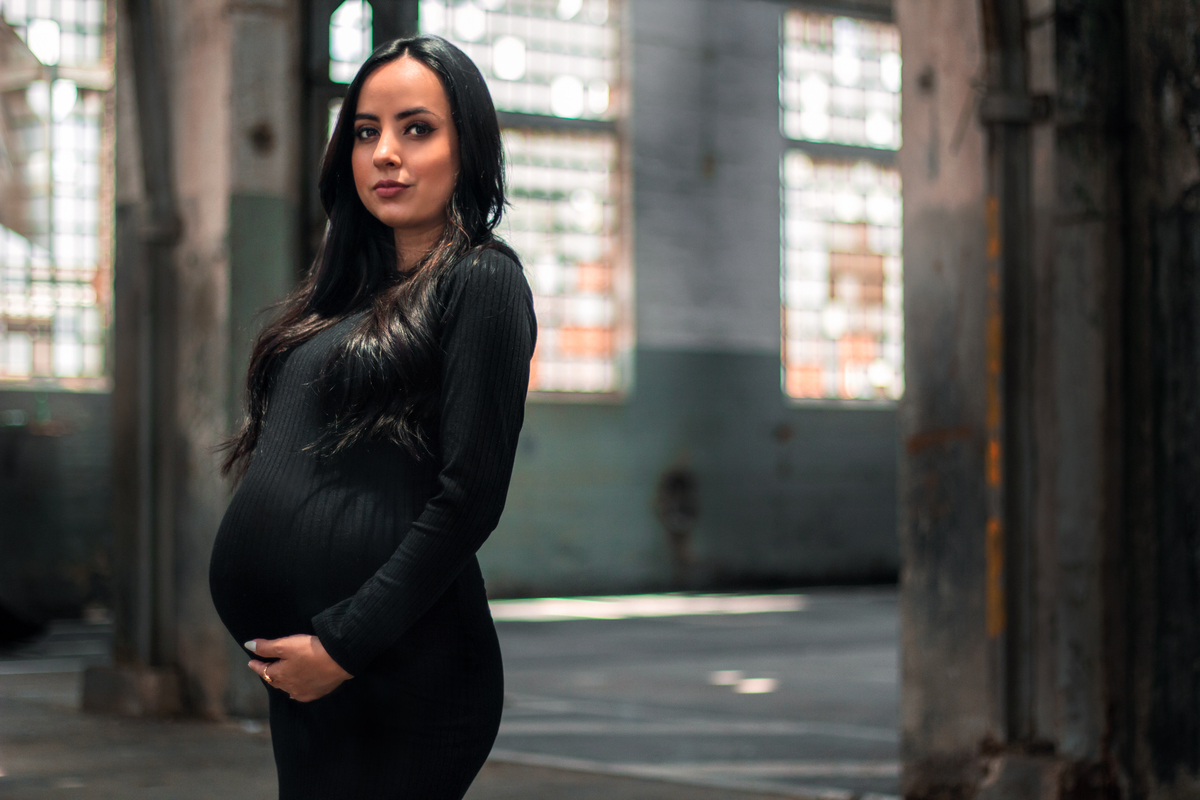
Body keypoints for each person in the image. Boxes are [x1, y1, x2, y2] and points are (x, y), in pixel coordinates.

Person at [208, 34, 536, 800]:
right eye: (366, 131)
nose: (385, 152)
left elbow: (470, 498)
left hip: (404, 676)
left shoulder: (481, 281)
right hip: (313, 678)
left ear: (468, 145)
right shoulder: (338, 298)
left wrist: (343, 647)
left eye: (417, 128)